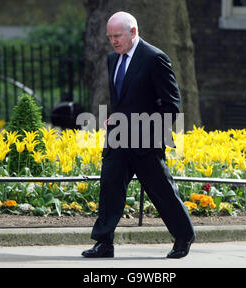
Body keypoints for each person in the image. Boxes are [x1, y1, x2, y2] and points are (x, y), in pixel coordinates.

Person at [81, 11, 195, 259]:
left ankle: (184, 236)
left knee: (161, 191)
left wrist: (150, 131)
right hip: (119, 136)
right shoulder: (112, 59)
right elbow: (123, 99)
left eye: (117, 36)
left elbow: (171, 104)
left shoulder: (155, 58)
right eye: (110, 36)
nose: (113, 41)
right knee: (109, 188)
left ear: (133, 32)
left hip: (146, 139)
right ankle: (104, 243)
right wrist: (115, 116)